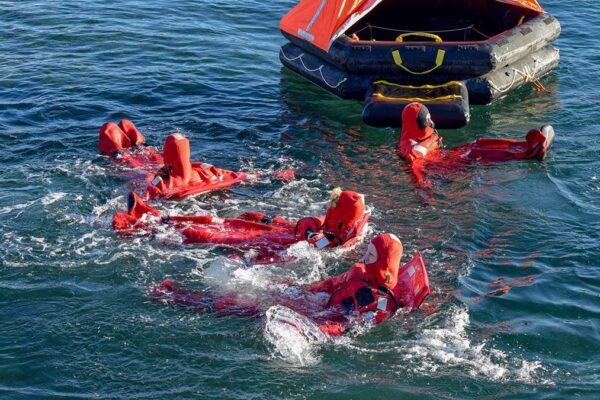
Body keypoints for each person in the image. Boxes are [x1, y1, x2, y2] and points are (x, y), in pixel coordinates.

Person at [152, 233, 430, 336]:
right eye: (367, 249)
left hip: (316, 316)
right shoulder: (358, 270)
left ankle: (174, 297)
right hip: (314, 304)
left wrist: (306, 331)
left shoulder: (378, 299)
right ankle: (177, 294)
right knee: (259, 291)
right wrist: (297, 289)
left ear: (383, 260)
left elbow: (348, 324)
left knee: (241, 306)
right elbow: (325, 285)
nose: (365, 254)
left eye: (372, 252)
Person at [113, 188, 371, 262]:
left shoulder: (328, 238)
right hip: (278, 236)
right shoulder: (349, 229)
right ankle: (159, 220)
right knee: (225, 224)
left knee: (212, 231)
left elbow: (311, 239)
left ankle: (147, 224)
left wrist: (309, 224)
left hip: (274, 242)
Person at [397, 102, 555, 188]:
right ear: (419, 123)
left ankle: (526, 145)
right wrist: (424, 191)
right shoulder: (410, 146)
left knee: (476, 144)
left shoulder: (417, 136)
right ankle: (528, 153)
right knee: (474, 151)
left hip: (445, 159)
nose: (431, 122)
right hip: (443, 169)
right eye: (427, 120)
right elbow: (415, 165)